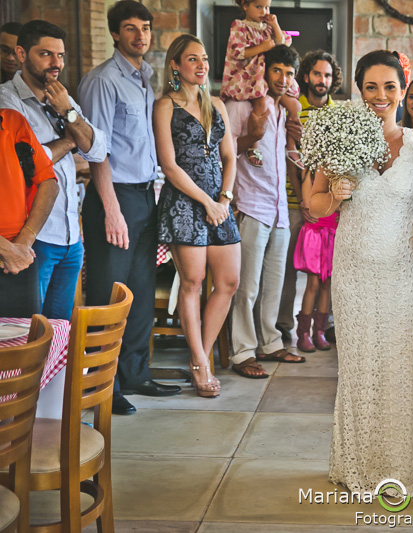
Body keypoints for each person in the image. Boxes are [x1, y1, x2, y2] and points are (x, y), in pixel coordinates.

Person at [308, 50, 413, 492]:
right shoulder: (341, 138)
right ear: (359, 91)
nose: (380, 95)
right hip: (354, 273)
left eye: (389, 87)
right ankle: (358, 464)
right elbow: (313, 206)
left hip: (406, 275)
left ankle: (407, 464)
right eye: (370, 87)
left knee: (404, 369)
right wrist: (335, 194)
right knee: (359, 368)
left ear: (403, 92)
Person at [78, 0, 181, 416]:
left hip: (143, 194)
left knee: (138, 291)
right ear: (115, 34)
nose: (141, 36)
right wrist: (111, 209)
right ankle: (102, 385)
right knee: (108, 294)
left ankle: (135, 374)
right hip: (114, 196)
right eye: (131, 28)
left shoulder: (145, 77)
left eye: (146, 28)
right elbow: (96, 150)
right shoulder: (102, 81)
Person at [0, 20, 107, 321]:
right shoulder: (7, 101)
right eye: (46, 54)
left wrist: (68, 112)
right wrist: (71, 141)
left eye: (60, 55)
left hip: (71, 234)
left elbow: (97, 150)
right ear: (21, 54)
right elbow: (28, 163)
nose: (56, 63)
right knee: (30, 330)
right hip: (34, 237)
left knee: (60, 331)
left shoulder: (62, 97)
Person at [153, 34, 241, 397]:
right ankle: (201, 364)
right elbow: (169, 166)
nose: (201, 65)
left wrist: (224, 198)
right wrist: (207, 202)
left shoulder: (217, 104)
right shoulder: (164, 106)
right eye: (192, 59)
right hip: (184, 203)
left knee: (229, 282)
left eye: (204, 58)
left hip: (219, 203)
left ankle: (200, 354)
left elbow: (230, 157)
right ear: (175, 65)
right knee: (192, 281)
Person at [227, 44, 306, 380]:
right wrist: (253, 135)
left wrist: (299, 140)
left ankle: (270, 343)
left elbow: (287, 159)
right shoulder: (240, 106)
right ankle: (242, 351)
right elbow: (224, 151)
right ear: (263, 70)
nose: (283, 79)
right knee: (247, 287)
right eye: (277, 71)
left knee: (273, 284)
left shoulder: (284, 108)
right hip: (251, 205)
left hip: (279, 210)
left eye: (289, 73)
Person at [276, 49, 342, 342]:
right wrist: (302, 200)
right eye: (317, 73)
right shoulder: (293, 107)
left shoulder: (337, 115)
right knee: (288, 269)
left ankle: (324, 326)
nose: (322, 80)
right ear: (306, 76)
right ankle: (283, 324)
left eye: (327, 75)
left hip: (327, 206)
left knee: (326, 273)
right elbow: (292, 160)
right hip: (294, 202)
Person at [221, 0, 302, 168]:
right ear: (245, 6)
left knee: (295, 105)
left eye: (267, 7)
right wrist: (262, 47)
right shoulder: (240, 26)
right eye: (258, 7)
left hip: (265, 77)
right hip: (249, 76)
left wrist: (275, 24)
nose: (264, 11)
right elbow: (238, 52)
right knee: (260, 102)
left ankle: (292, 145)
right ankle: (254, 145)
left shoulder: (268, 27)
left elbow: (283, 44)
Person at [0, 109, 58, 318]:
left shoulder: (12, 121)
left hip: (18, 261)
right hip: (12, 255)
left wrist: (25, 241)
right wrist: (5, 248)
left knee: (27, 336)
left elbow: (49, 183)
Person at [292, 169, 336, 353]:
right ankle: (303, 332)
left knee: (327, 283)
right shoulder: (310, 171)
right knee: (313, 283)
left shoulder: (339, 172)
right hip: (315, 231)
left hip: (333, 231)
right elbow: (309, 203)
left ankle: (320, 331)